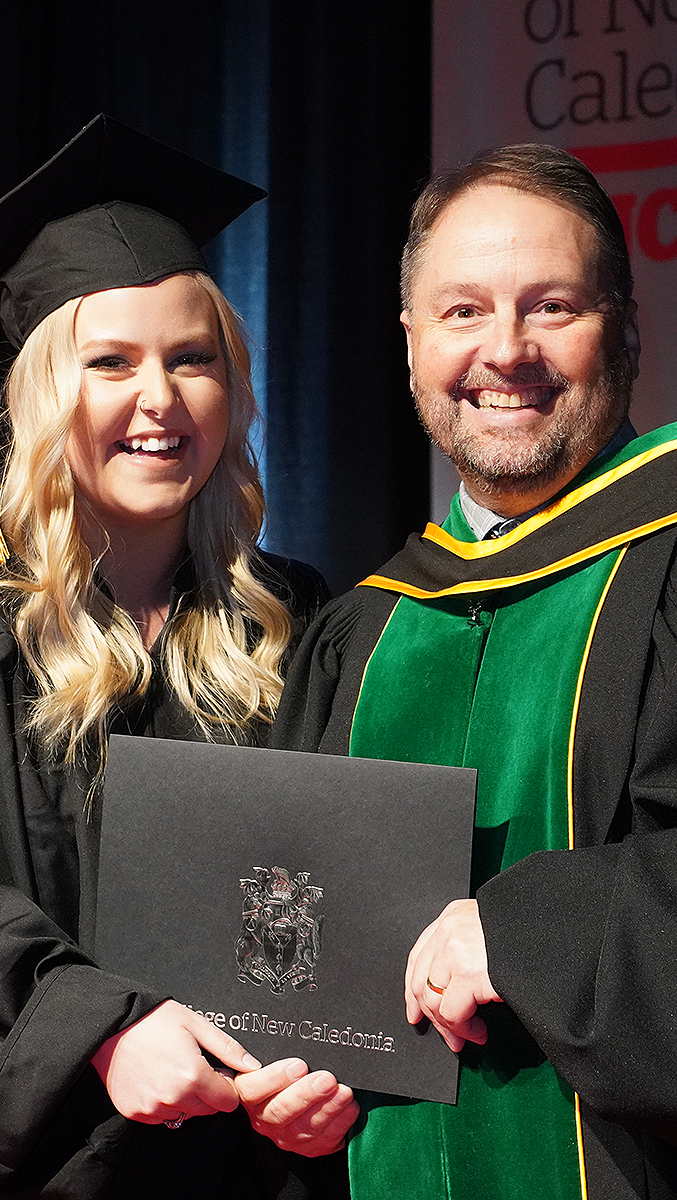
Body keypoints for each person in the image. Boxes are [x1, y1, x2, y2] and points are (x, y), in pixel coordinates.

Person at [0, 115, 357, 1199]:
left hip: (230, 1162)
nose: (160, 399)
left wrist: (321, 1078)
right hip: (34, 1157)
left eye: (192, 359)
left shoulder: (288, 618)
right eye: (110, 363)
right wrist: (101, 1028)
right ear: (43, 390)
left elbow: (319, 901)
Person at [271, 142, 677, 1199]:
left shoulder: (668, 562)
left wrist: (530, 932)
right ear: (411, 341)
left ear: (626, 328)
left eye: (552, 307)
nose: (506, 350)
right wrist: (285, 1082)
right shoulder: (365, 627)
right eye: (463, 311)